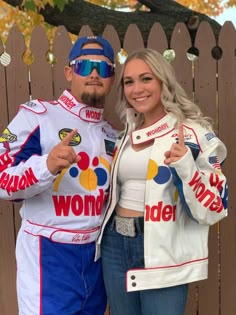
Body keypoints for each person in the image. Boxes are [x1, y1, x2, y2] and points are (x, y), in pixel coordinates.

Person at [95, 48, 228, 315]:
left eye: (146, 79)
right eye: (129, 82)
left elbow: (215, 207)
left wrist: (187, 168)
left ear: (163, 82)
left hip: (161, 246)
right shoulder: (126, 135)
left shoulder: (192, 133)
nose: (137, 89)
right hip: (115, 245)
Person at [0, 35, 118, 315]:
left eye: (103, 68)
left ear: (112, 77)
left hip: (95, 258)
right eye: (84, 66)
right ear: (68, 72)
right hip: (48, 254)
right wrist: (46, 166)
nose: (93, 74)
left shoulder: (111, 135)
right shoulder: (37, 116)